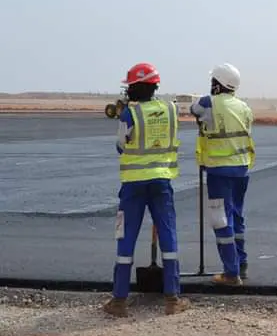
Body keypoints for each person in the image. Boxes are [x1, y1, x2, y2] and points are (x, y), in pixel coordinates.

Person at [103, 62, 190, 317]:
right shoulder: (171, 110)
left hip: (133, 185)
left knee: (125, 236)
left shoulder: (130, 114)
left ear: (135, 88)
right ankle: (172, 298)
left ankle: (119, 300)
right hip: (162, 181)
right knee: (168, 234)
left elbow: (121, 145)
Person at [190, 63, 255, 284]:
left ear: (217, 84)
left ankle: (231, 272)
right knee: (236, 215)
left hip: (219, 170)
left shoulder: (209, 102)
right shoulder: (244, 107)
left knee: (220, 219)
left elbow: (194, 109)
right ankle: (241, 264)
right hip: (242, 168)